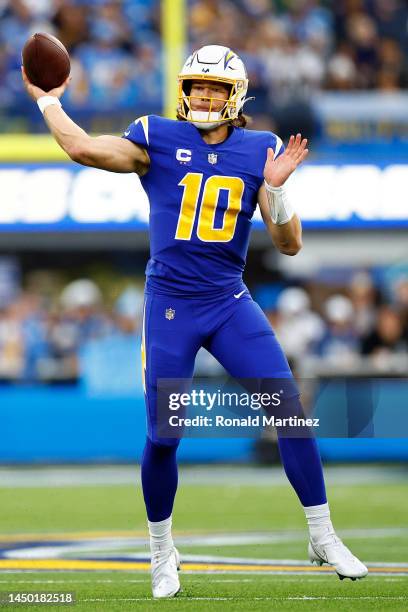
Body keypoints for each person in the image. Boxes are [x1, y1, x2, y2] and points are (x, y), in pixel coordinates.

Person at [22, 44, 368, 598]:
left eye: (215, 88)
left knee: (290, 414)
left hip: (229, 301)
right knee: (164, 435)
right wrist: (49, 103)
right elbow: (83, 148)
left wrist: (274, 192)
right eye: (197, 86)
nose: (204, 96)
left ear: (237, 97)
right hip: (171, 306)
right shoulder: (156, 137)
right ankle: (162, 552)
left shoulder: (261, 149)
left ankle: (323, 534)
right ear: (185, 91)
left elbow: (291, 244)